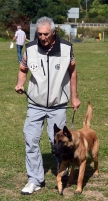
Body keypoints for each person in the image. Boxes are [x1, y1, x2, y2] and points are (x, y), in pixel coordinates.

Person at [14, 16, 81, 195]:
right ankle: (35, 179)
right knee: (31, 139)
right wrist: (20, 83)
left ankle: (62, 171)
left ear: (53, 32)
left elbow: (73, 72)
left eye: (45, 34)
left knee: (58, 142)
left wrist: (74, 97)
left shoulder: (66, 48)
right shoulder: (30, 49)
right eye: (39, 34)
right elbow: (23, 69)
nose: (42, 37)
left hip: (58, 104)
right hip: (35, 103)